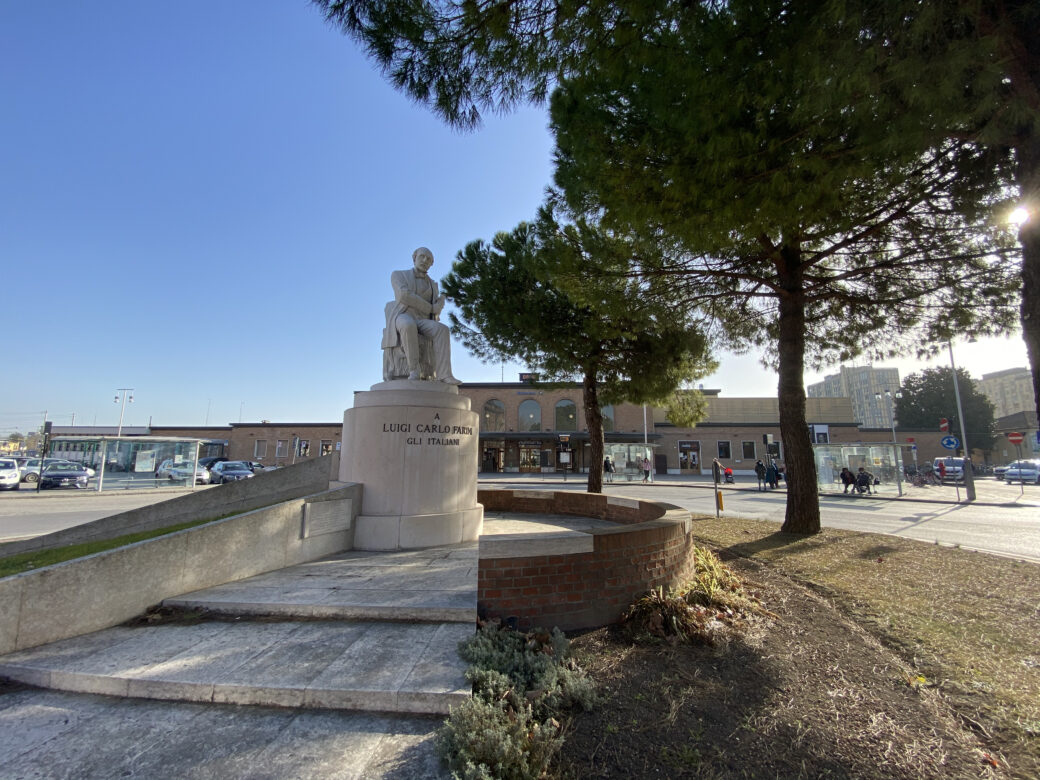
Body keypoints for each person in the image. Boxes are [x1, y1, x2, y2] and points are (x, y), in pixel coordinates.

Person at [382, 246, 460, 383]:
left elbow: (436, 310)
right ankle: (414, 370)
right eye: (422, 257)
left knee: (442, 329)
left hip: (423, 320)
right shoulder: (398, 275)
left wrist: (440, 304)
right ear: (414, 258)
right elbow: (404, 296)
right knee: (408, 325)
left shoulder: (433, 285)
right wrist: (431, 308)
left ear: (431, 264)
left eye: (429, 259)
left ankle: (444, 375)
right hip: (403, 315)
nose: (425, 260)